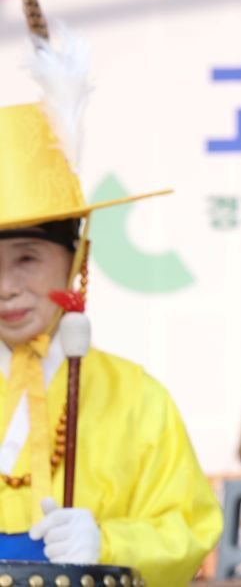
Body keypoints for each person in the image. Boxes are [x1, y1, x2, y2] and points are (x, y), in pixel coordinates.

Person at [0, 102, 222, 584]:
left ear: (77, 258)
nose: (5, 287)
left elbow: (188, 528)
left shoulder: (137, 397)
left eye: (27, 258)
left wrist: (108, 543)